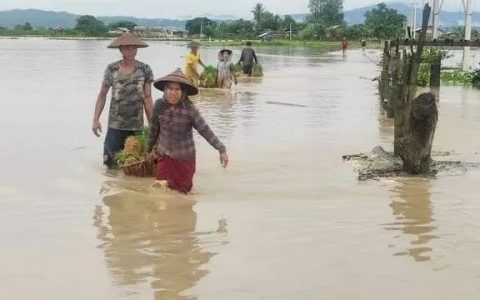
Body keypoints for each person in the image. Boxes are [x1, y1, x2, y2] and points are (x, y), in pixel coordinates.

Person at [148, 69, 229, 193]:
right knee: (161, 193)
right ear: (165, 90)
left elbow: (205, 130)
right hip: (163, 155)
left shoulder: (190, 110)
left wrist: (221, 149)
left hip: (184, 158)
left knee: (183, 191)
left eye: (177, 89)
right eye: (170, 88)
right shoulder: (159, 105)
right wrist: (148, 150)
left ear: (183, 92)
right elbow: (154, 130)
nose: (173, 93)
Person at [92, 32, 154, 168]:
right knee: (110, 164)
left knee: (134, 164)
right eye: (127, 48)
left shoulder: (145, 69)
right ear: (120, 49)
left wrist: (153, 124)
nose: (131, 50)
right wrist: (96, 119)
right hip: (115, 125)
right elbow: (102, 94)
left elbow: (148, 98)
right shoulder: (111, 69)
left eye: (133, 47)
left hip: (136, 126)